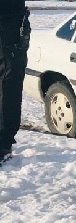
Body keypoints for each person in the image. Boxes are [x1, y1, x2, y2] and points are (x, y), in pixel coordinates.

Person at [0, 0, 30, 166]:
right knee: (9, 84)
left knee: (9, 85)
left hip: (11, 25)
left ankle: (4, 144)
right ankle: (3, 144)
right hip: (9, 24)